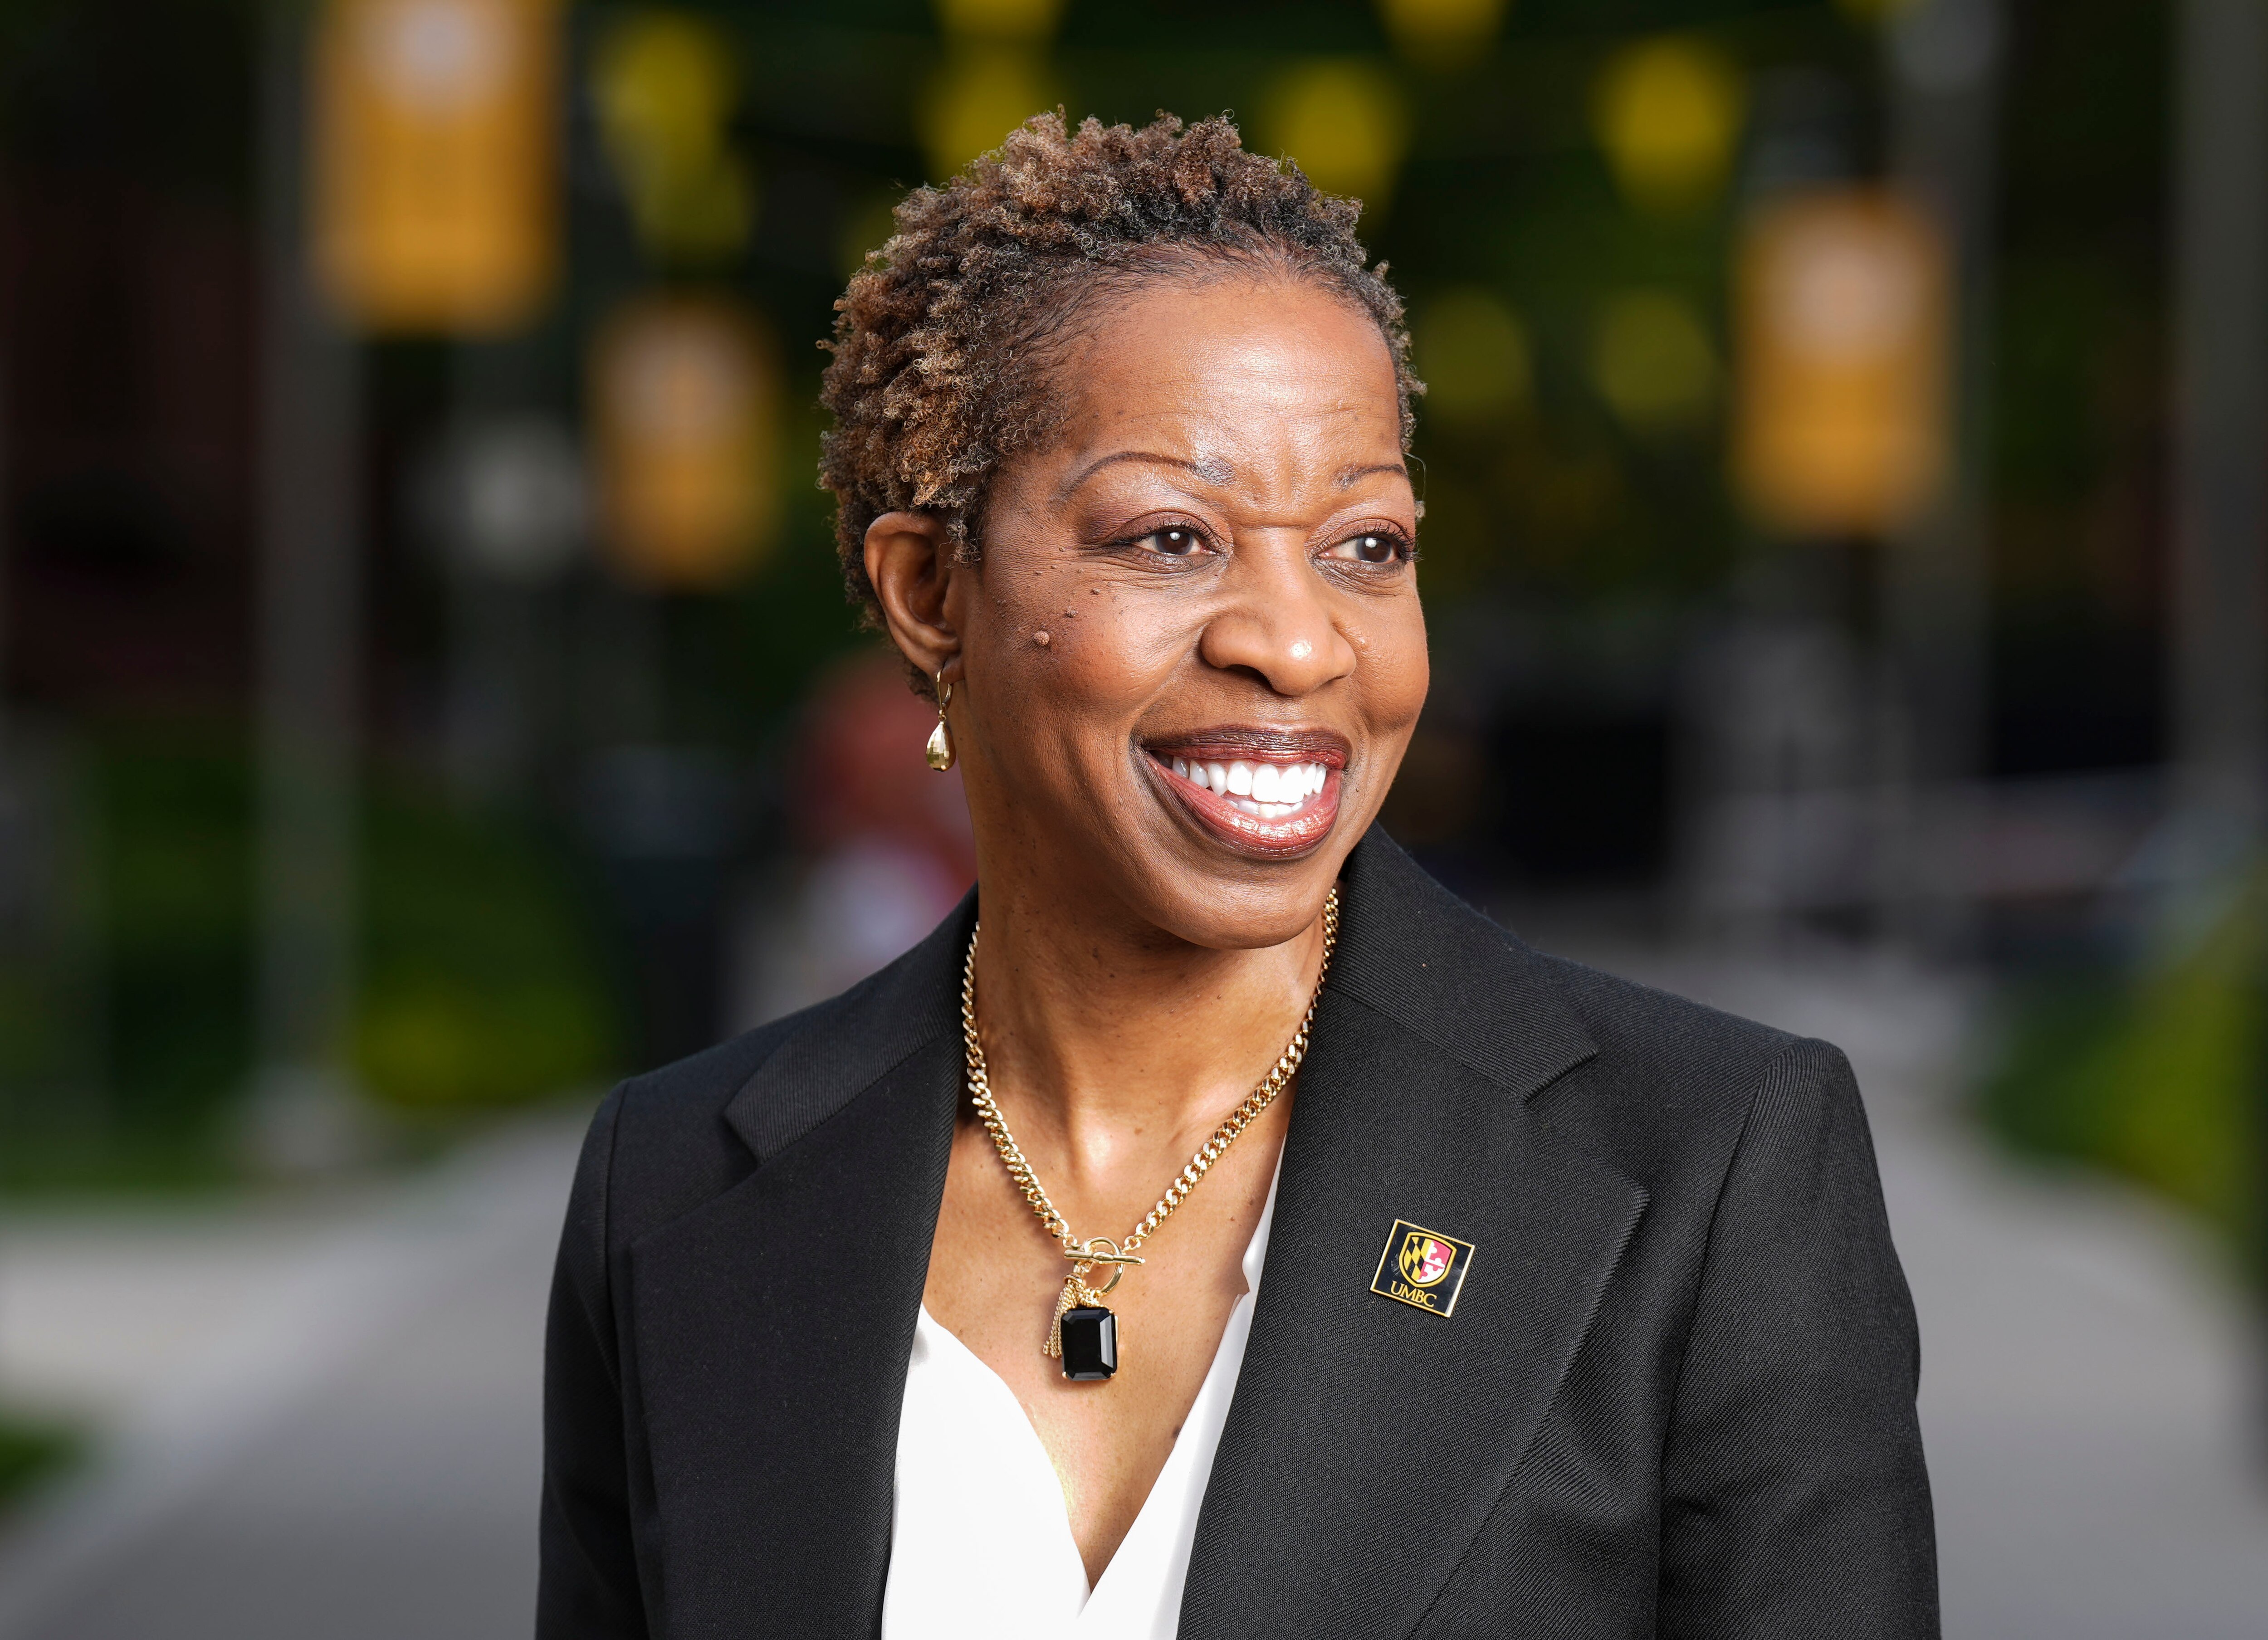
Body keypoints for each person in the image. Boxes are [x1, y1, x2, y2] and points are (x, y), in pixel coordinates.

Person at [538, 113, 1937, 1640]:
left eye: (1366, 547)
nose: (1296, 641)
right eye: (1170, 537)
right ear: (931, 591)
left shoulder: (1712, 1167)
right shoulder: (674, 1187)